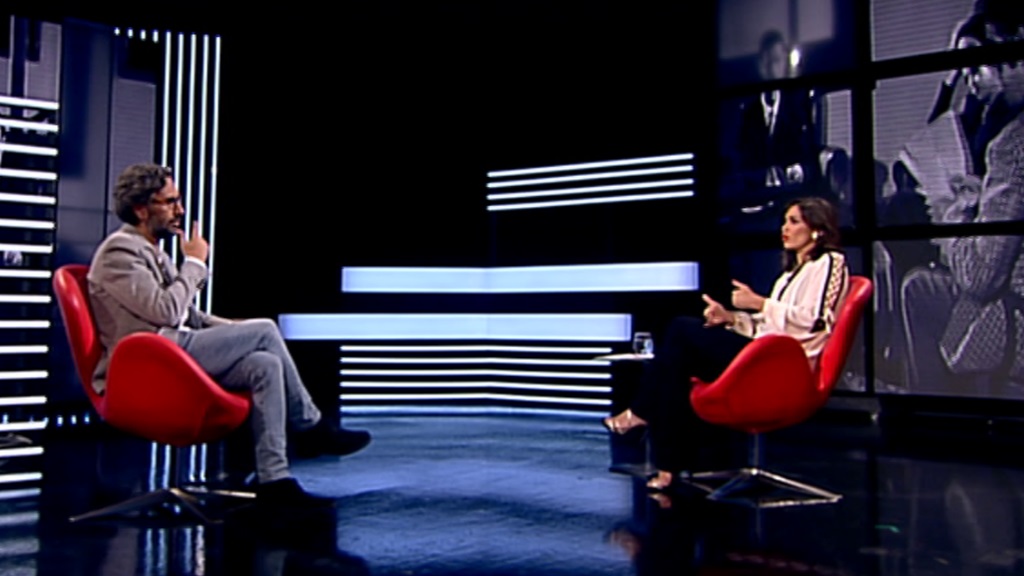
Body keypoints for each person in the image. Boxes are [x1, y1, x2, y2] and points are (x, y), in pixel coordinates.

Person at [87, 163, 371, 509]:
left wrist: (235, 329)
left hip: (174, 352)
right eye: (170, 202)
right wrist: (195, 263)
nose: (180, 210)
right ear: (140, 209)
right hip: (147, 365)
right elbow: (167, 312)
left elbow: (190, 316)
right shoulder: (119, 252)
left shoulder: (151, 250)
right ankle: (310, 427)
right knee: (265, 329)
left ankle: (274, 480)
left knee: (264, 363)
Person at [603, 197, 849, 490]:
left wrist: (759, 302)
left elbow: (815, 321)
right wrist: (730, 318)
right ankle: (667, 466)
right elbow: (767, 325)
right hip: (764, 353)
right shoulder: (789, 274)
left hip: (788, 363)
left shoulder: (829, 262)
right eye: (784, 221)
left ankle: (641, 414)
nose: (784, 228)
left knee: (681, 330)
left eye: (794, 222)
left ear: (817, 229)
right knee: (677, 361)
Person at [900, 3, 1024, 396]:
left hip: (1015, 313)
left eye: (975, 67)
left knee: (919, 287)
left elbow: (980, 278)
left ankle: (936, 414)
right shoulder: (991, 121)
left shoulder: (1012, 143)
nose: (970, 83)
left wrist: (952, 210)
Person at [725, 30, 821, 233]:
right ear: (760, 65)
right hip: (754, 204)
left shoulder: (799, 107)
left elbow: (808, 157)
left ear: (784, 64)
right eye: (766, 61)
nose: (771, 67)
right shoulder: (746, 110)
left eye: (776, 60)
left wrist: (795, 171)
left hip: (788, 202)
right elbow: (737, 159)